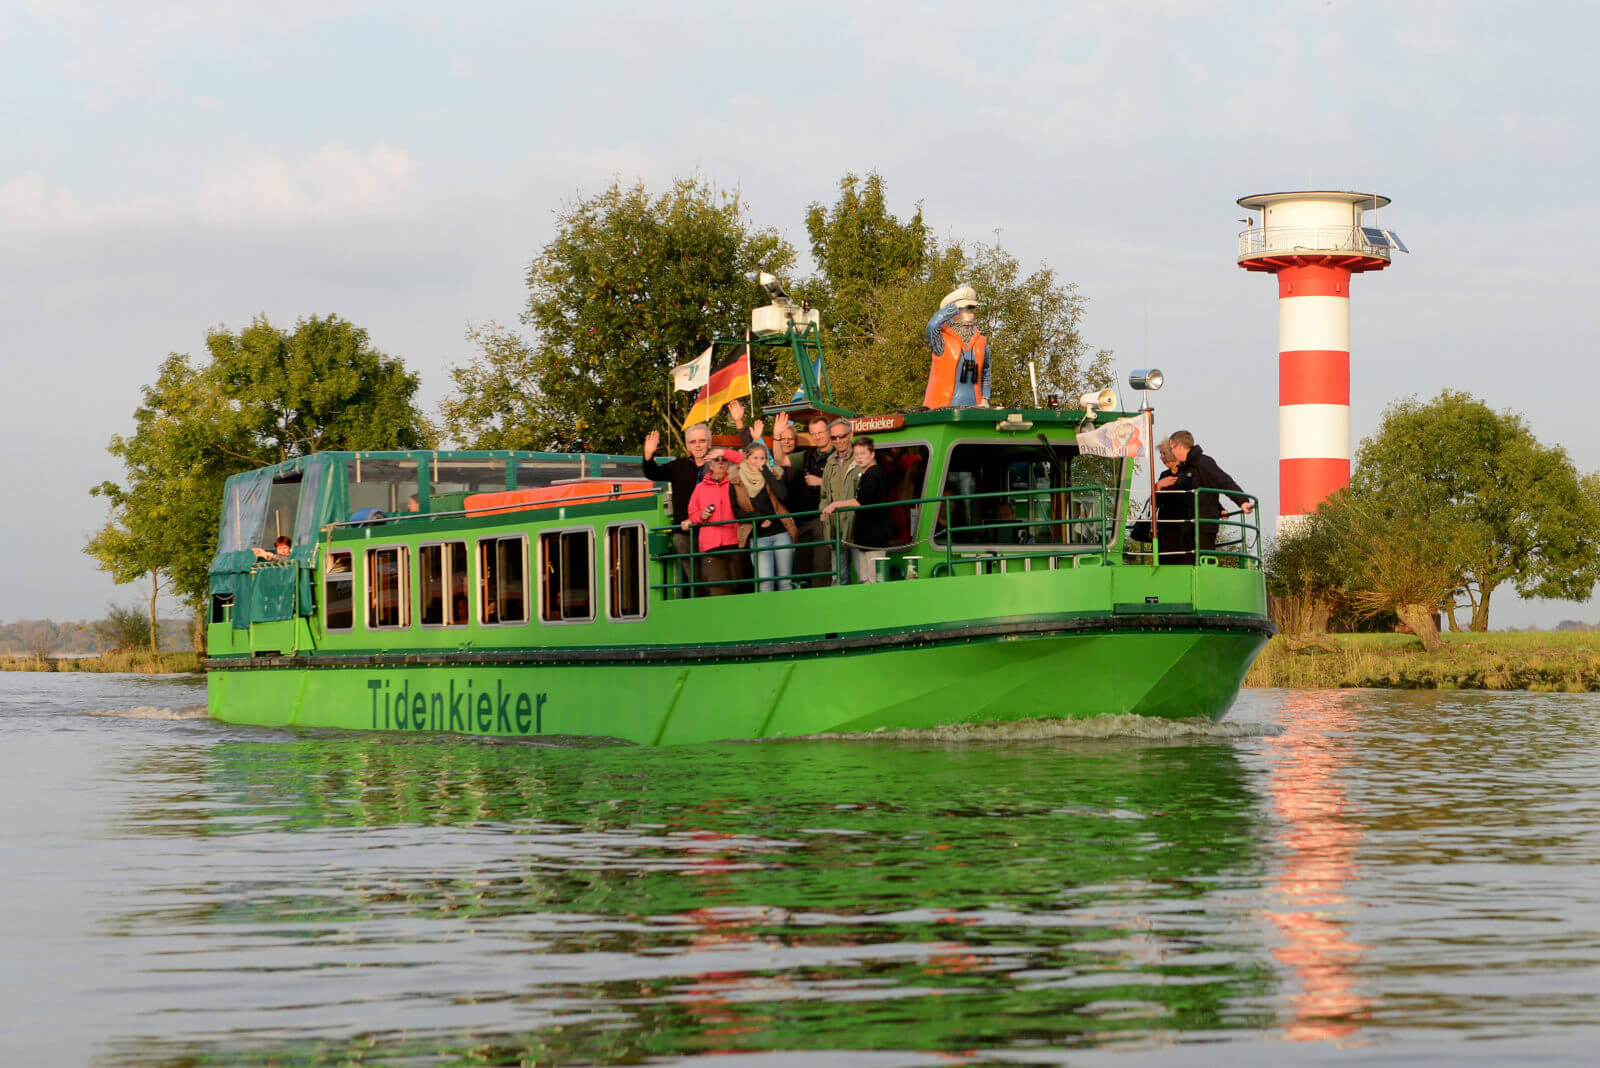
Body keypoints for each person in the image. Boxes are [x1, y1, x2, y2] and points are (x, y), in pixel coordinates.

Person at [643, 422, 714, 595]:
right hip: (684, 534)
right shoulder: (678, 466)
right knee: (694, 580)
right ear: (688, 445)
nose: (697, 445)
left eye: (702, 441)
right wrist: (648, 455)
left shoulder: (718, 466)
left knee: (713, 578)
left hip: (712, 531)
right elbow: (653, 473)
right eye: (693, 442)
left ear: (709, 443)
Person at [1169, 430, 1253, 554]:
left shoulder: (1202, 462)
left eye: (1172, 448)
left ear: (1180, 447)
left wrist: (1242, 501)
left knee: (1203, 562)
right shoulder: (1185, 467)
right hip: (1187, 526)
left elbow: (1223, 480)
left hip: (1202, 526)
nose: (1171, 452)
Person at [730, 442, 799, 592]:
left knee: (785, 581)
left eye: (763, 458)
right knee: (765, 582)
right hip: (758, 536)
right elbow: (737, 512)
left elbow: (783, 495)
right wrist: (759, 518)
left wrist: (766, 473)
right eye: (755, 458)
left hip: (781, 532)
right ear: (747, 459)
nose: (759, 462)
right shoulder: (736, 480)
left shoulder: (774, 474)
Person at [822, 437, 891, 583]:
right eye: (857, 454)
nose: (859, 457)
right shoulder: (866, 474)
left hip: (874, 537)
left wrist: (835, 505)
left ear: (872, 454)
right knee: (865, 580)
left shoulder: (874, 474)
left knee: (875, 580)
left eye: (863, 453)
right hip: (864, 537)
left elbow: (860, 502)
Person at [923, 285, 990, 408]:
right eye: (960, 312)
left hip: (973, 408)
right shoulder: (941, 340)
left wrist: (985, 398)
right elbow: (932, 327)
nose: (967, 317)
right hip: (942, 407)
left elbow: (985, 373)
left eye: (969, 311)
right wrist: (953, 308)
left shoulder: (981, 343)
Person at [683, 451, 739, 596]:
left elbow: (748, 461)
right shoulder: (700, 488)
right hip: (711, 546)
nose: (721, 462)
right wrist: (702, 516)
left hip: (735, 543)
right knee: (718, 589)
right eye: (717, 460)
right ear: (710, 465)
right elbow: (692, 514)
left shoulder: (736, 481)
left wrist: (725, 452)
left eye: (724, 460)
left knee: (739, 587)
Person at [818, 417, 860, 582]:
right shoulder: (829, 464)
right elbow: (824, 495)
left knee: (865, 577)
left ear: (850, 435)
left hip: (857, 527)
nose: (838, 441)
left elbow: (869, 493)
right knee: (838, 578)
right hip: (835, 528)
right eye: (834, 438)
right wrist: (823, 509)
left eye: (842, 436)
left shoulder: (861, 458)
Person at [1150, 438, 1195, 563]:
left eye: (1163, 453)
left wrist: (1220, 509)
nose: (1161, 457)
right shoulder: (1164, 475)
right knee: (1165, 561)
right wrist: (1158, 486)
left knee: (1184, 560)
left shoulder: (1188, 473)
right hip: (1166, 528)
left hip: (1184, 528)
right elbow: (1156, 503)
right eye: (1160, 454)